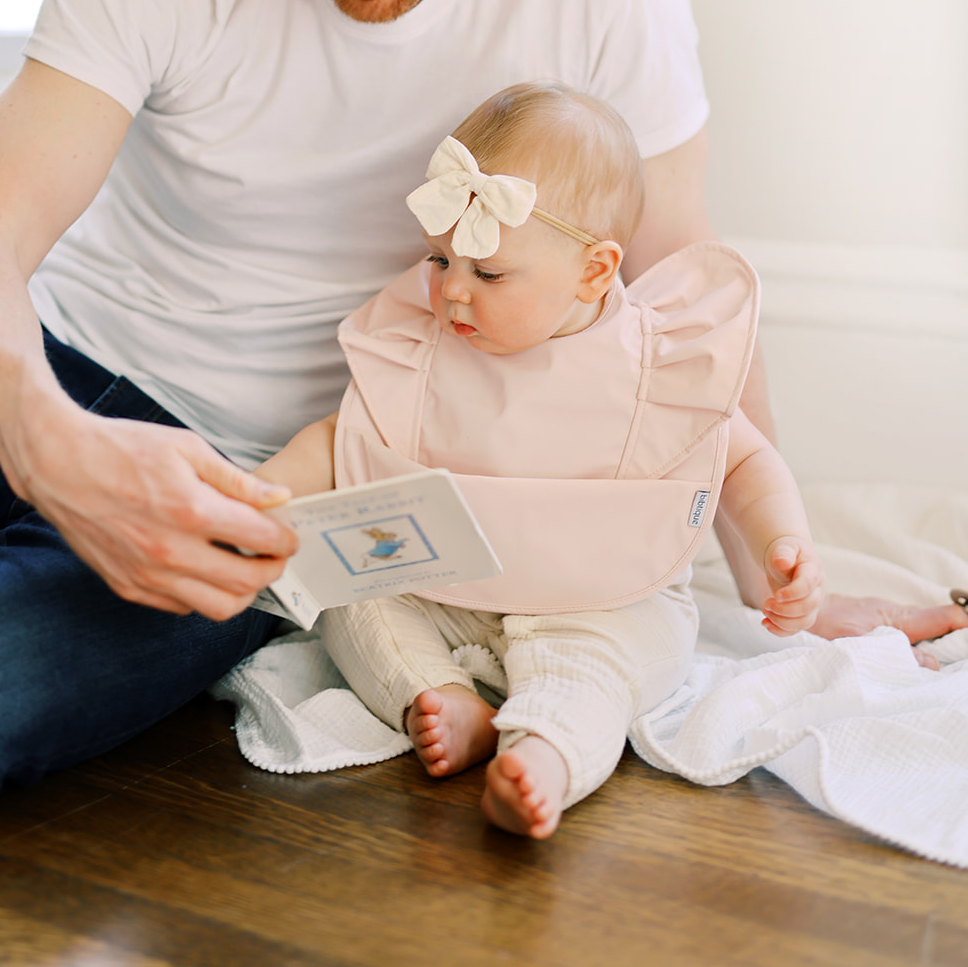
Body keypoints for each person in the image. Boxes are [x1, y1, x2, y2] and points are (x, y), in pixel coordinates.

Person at [0, 0, 962, 804]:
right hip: (53, 356)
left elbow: (681, 297)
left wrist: (772, 581)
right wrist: (49, 442)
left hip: (267, 475)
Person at [254, 82, 825, 838]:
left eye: (487, 274)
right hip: (445, 585)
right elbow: (340, 443)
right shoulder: (430, 341)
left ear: (593, 272)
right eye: (438, 259)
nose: (452, 291)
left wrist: (781, 543)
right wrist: (262, 491)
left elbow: (742, 462)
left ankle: (546, 752)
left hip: (603, 596)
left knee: (601, 670)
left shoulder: (654, 363)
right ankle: (443, 697)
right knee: (350, 597)